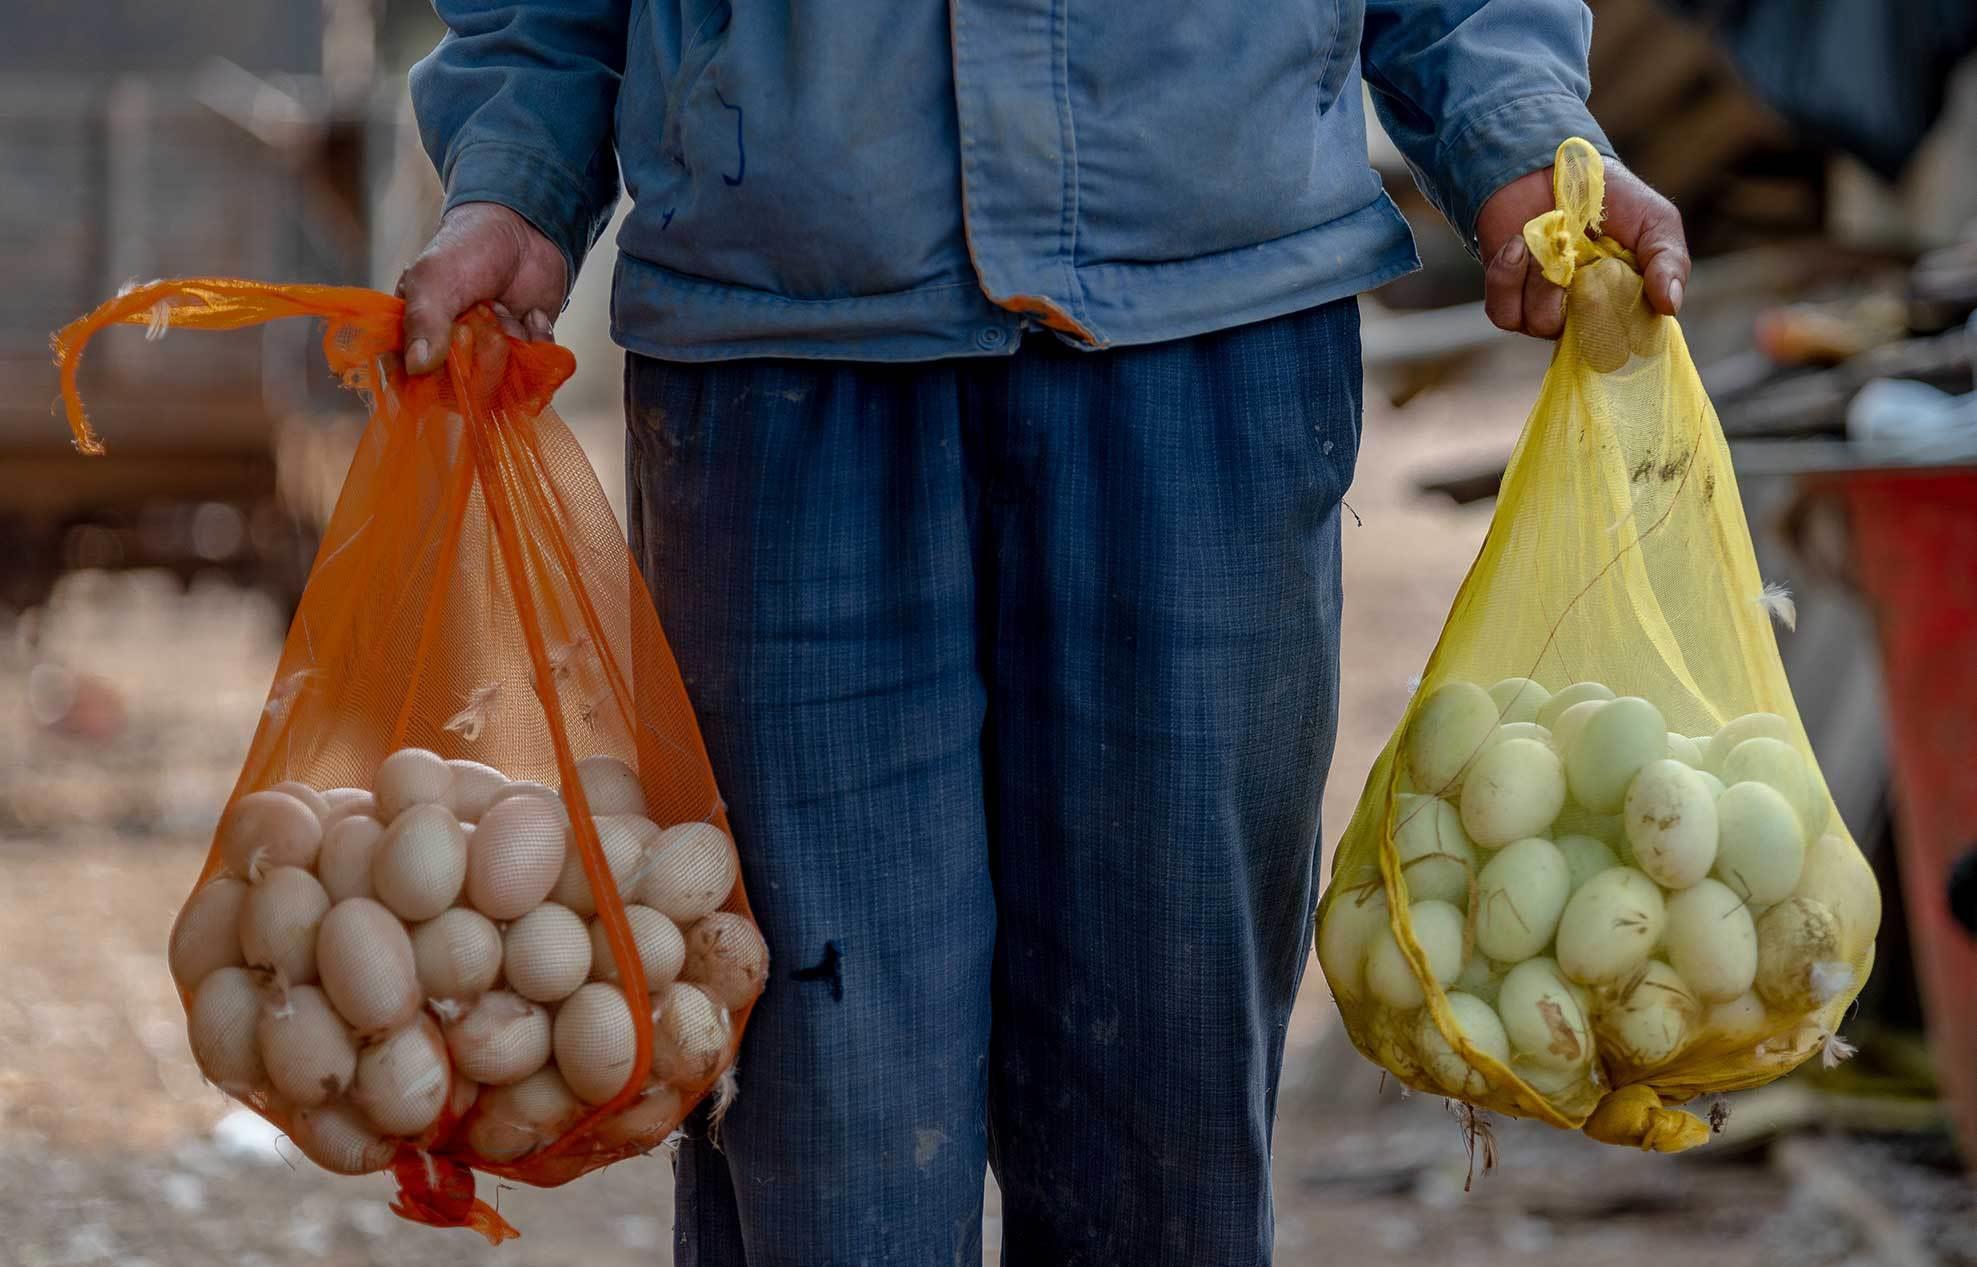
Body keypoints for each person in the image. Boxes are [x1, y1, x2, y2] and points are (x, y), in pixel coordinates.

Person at [403, 4, 1689, 1262]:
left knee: (1165, 1113)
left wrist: (1517, 131)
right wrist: (518, 174)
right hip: (781, 341)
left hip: (1207, 323)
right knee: (820, 1118)